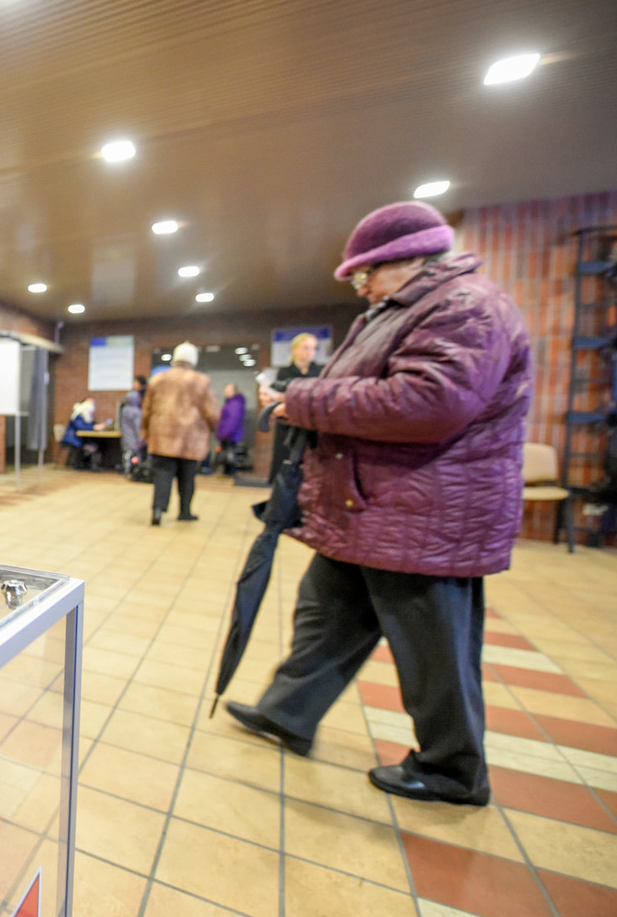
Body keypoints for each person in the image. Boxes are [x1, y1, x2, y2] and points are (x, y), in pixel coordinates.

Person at [226, 200, 531, 806]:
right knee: (324, 614)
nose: (362, 285)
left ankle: (452, 769)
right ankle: (288, 714)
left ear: (410, 258)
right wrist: (307, 398)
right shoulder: (408, 310)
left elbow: (429, 402)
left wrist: (306, 402)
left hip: (424, 515)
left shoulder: (465, 306)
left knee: (434, 647)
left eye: (368, 273)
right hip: (370, 506)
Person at [141, 343, 219, 525]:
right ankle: (185, 511)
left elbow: (147, 409)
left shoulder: (158, 379)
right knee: (188, 476)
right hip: (191, 438)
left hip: (161, 436)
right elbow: (212, 412)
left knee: (162, 474)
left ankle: (158, 510)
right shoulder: (201, 381)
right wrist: (214, 428)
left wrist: (145, 429)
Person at [261, 333, 322, 481]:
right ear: (294, 350)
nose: (310, 352)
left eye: (313, 348)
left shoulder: (320, 372)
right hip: (287, 427)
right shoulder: (284, 373)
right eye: (305, 347)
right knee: (285, 469)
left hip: (311, 428)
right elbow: (275, 396)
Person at [62, 398, 109, 470]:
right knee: (97, 444)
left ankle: (93, 464)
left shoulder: (86, 415)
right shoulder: (78, 414)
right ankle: (91, 465)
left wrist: (97, 425)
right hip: (74, 439)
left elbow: (89, 425)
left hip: (82, 438)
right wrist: (95, 427)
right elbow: (81, 427)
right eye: (91, 404)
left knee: (101, 443)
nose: (92, 406)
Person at [215, 383, 246, 475]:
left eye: (229, 391)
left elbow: (233, 420)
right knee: (228, 454)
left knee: (229, 454)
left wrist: (225, 433)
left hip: (229, 434)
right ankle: (227, 472)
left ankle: (229, 473)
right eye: (226, 391)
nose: (226, 393)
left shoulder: (235, 403)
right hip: (228, 433)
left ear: (234, 391)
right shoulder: (231, 403)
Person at [119, 376, 147, 470]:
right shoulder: (136, 411)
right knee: (136, 455)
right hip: (134, 439)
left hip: (126, 438)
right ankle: (135, 470)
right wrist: (140, 438)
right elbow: (137, 426)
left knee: (127, 454)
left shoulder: (124, 409)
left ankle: (127, 469)